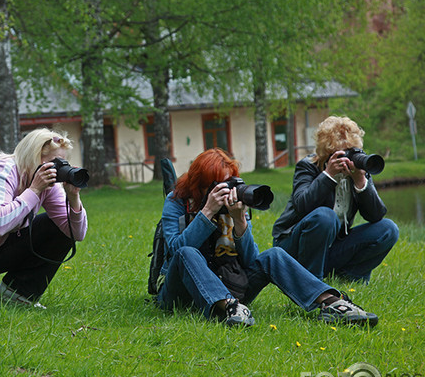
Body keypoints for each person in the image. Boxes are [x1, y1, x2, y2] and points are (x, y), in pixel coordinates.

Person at [157, 148, 378, 327]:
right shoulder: (177, 201)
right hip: (181, 292)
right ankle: (227, 306)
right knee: (187, 252)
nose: (226, 191)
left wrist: (239, 221)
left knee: (273, 255)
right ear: (200, 185)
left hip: (230, 284)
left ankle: (332, 303)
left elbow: (251, 261)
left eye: (230, 182)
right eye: (218, 185)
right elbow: (176, 251)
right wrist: (207, 212)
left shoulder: (233, 206)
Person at [0, 128, 87, 308]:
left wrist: (73, 198)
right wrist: (34, 191)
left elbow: (77, 234)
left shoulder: (48, 183)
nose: (57, 169)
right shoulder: (2, 170)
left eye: (62, 162)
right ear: (33, 157)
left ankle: (19, 293)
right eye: (54, 162)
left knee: (59, 227)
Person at [272, 116, 398, 282]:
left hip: (330, 247)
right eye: (343, 153)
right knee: (325, 216)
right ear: (327, 153)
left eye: (353, 151)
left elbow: (375, 215)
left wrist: (360, 181)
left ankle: (351, 277)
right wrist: (328, 176)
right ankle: (312, 284)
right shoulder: (308, 166)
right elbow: (301, 205)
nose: (349, 159)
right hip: (291, 247)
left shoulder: (358, 171)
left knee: (388, 229)